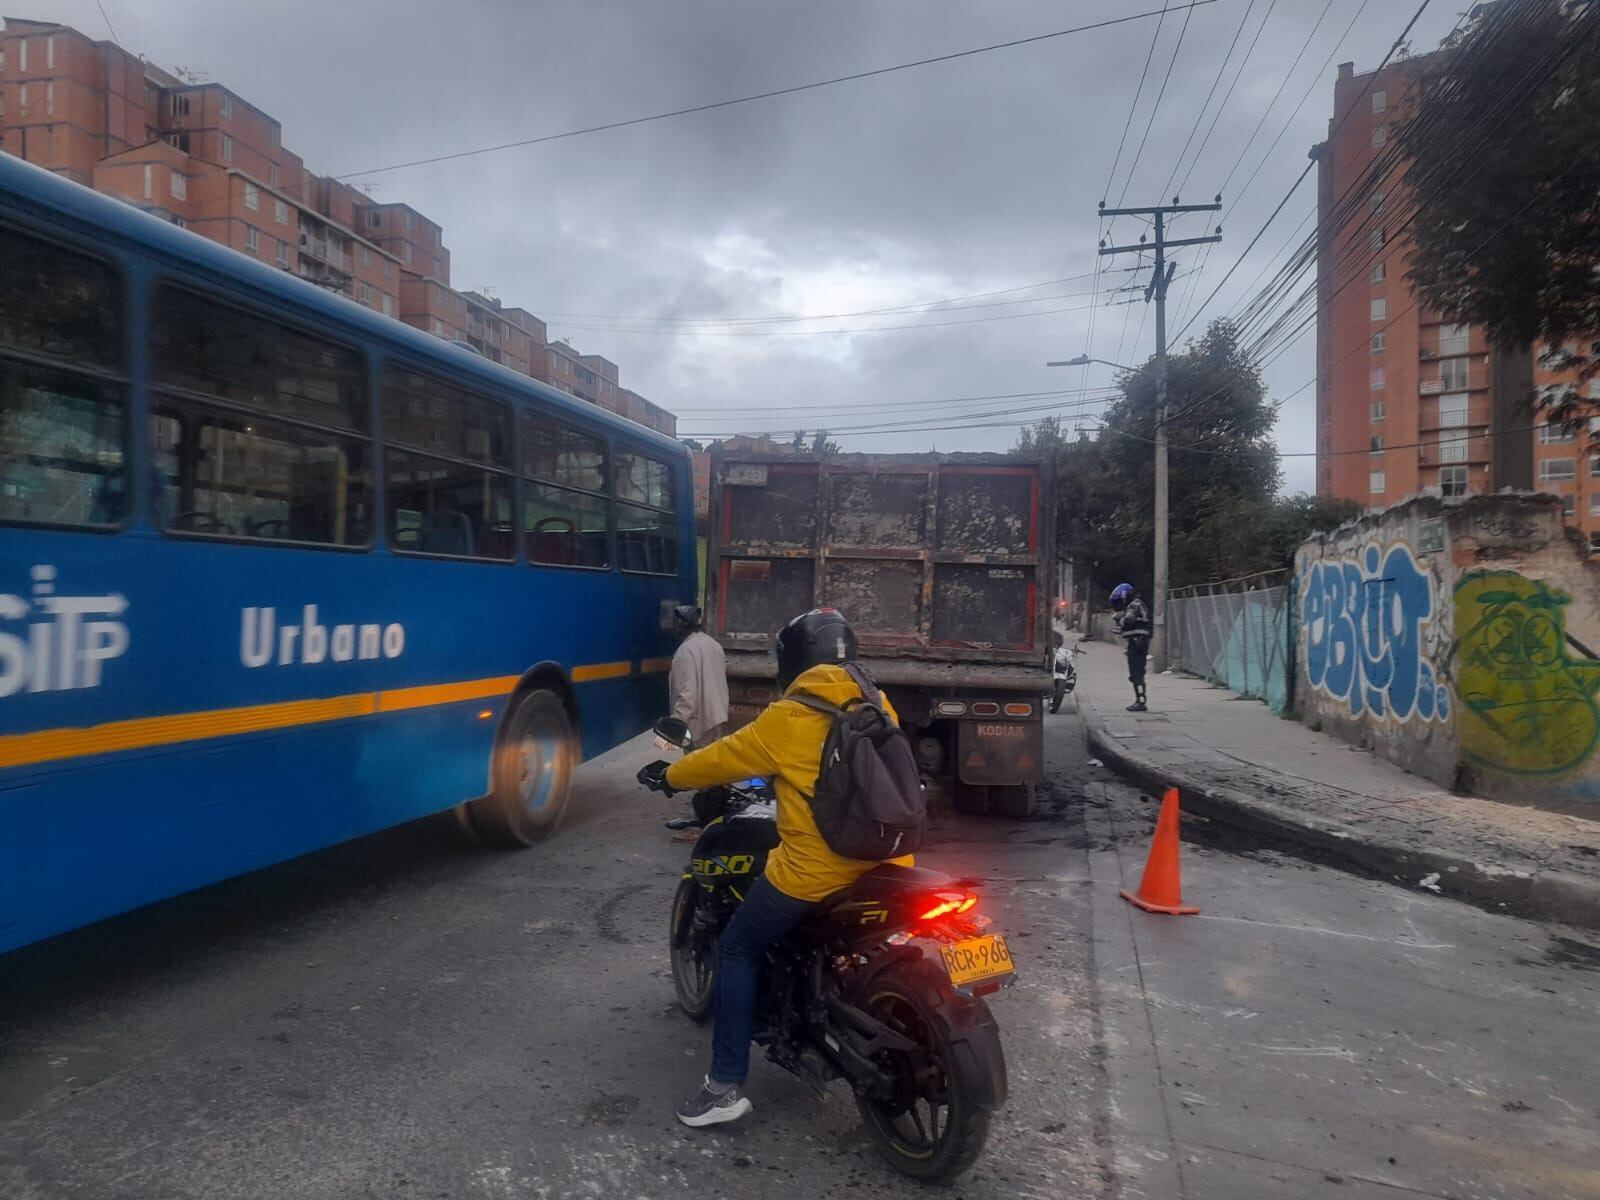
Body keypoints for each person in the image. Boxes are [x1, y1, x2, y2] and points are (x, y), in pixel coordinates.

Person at [639, 608, 913, 1129]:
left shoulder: (790, 716)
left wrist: (672, 776)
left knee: (739, 947)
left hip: (818, 872)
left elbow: (721, 758)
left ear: (792, 662)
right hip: (890, 863)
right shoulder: (878, 702)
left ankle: (723, 1088)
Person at [668, 604, 729, 746]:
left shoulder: (684, 651)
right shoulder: (714, 645)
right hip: (717, 718)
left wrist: (676, 723)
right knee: (711, 764)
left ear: (681, 626)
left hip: (699, 725)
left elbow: (687, 694)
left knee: (695, 766)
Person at [1110, 582, 1151, 712]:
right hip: (1138, 641)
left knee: (1137, 672)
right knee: (1136, 672)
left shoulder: (1135, 604)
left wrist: (1119, 618)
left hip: (1137, 641)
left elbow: (1128, 621)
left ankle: (1141, 701)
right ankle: (1140, 698)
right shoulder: (1135, 604)